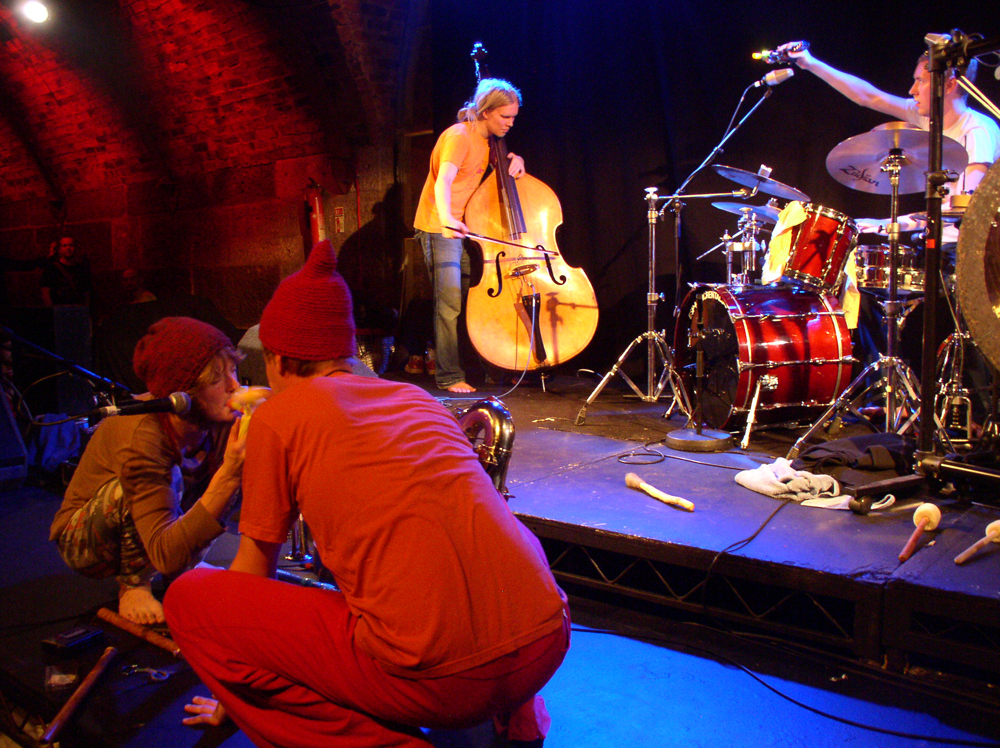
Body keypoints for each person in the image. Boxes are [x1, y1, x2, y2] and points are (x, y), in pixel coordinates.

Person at [163, 239, 569, 748]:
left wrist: (234, 691)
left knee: (188, 599)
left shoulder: (278, 418)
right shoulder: (415, 397)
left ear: (279, 359)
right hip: (546, 642)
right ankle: (520, 721)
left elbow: (253, 572)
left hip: (448, 686)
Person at [50, 317, 245, 624]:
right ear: (184, 393)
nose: (235, 386)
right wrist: (230, 474)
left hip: (162, 524)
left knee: (232, 464)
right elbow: (165, 557)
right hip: (90, 542)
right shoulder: (140, 433)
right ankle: (133, 585)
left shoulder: (217, 417)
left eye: (233, 370)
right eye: (216, 379)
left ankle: (186, 569)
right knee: (188, 476)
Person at [779, 38, 1000, 233]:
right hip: (939, 242)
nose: (912, 90)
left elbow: (962, 210)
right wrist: (809, 62)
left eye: (920, 81)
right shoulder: (927, 116)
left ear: (950, 84)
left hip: (968, 253)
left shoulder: (977, 131)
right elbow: (868, 96)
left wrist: (888, 224)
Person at [413, 78, 526, 393]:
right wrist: (447, 218)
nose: (510, 123)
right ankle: (448, 375)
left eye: (513, 117)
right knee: (448, 304)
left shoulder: (487, 141)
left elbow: (499, 164)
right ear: (486, 111)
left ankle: (482, 365)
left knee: (467, 301)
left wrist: (515, 159)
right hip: (438, 226)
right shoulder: (459, 136)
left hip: (458, 228)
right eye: (505, 117)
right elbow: (443, 182)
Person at [40, 236, 91, 307]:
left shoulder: (81, 269)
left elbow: (86, 291)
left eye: (71, 245)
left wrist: (85, 308)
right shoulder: (52, 269)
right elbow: (45, 291)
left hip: (77, 308)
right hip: (59, 308)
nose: (68, 248)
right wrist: (51, 310)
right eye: (64, 246)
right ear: (60, 249)